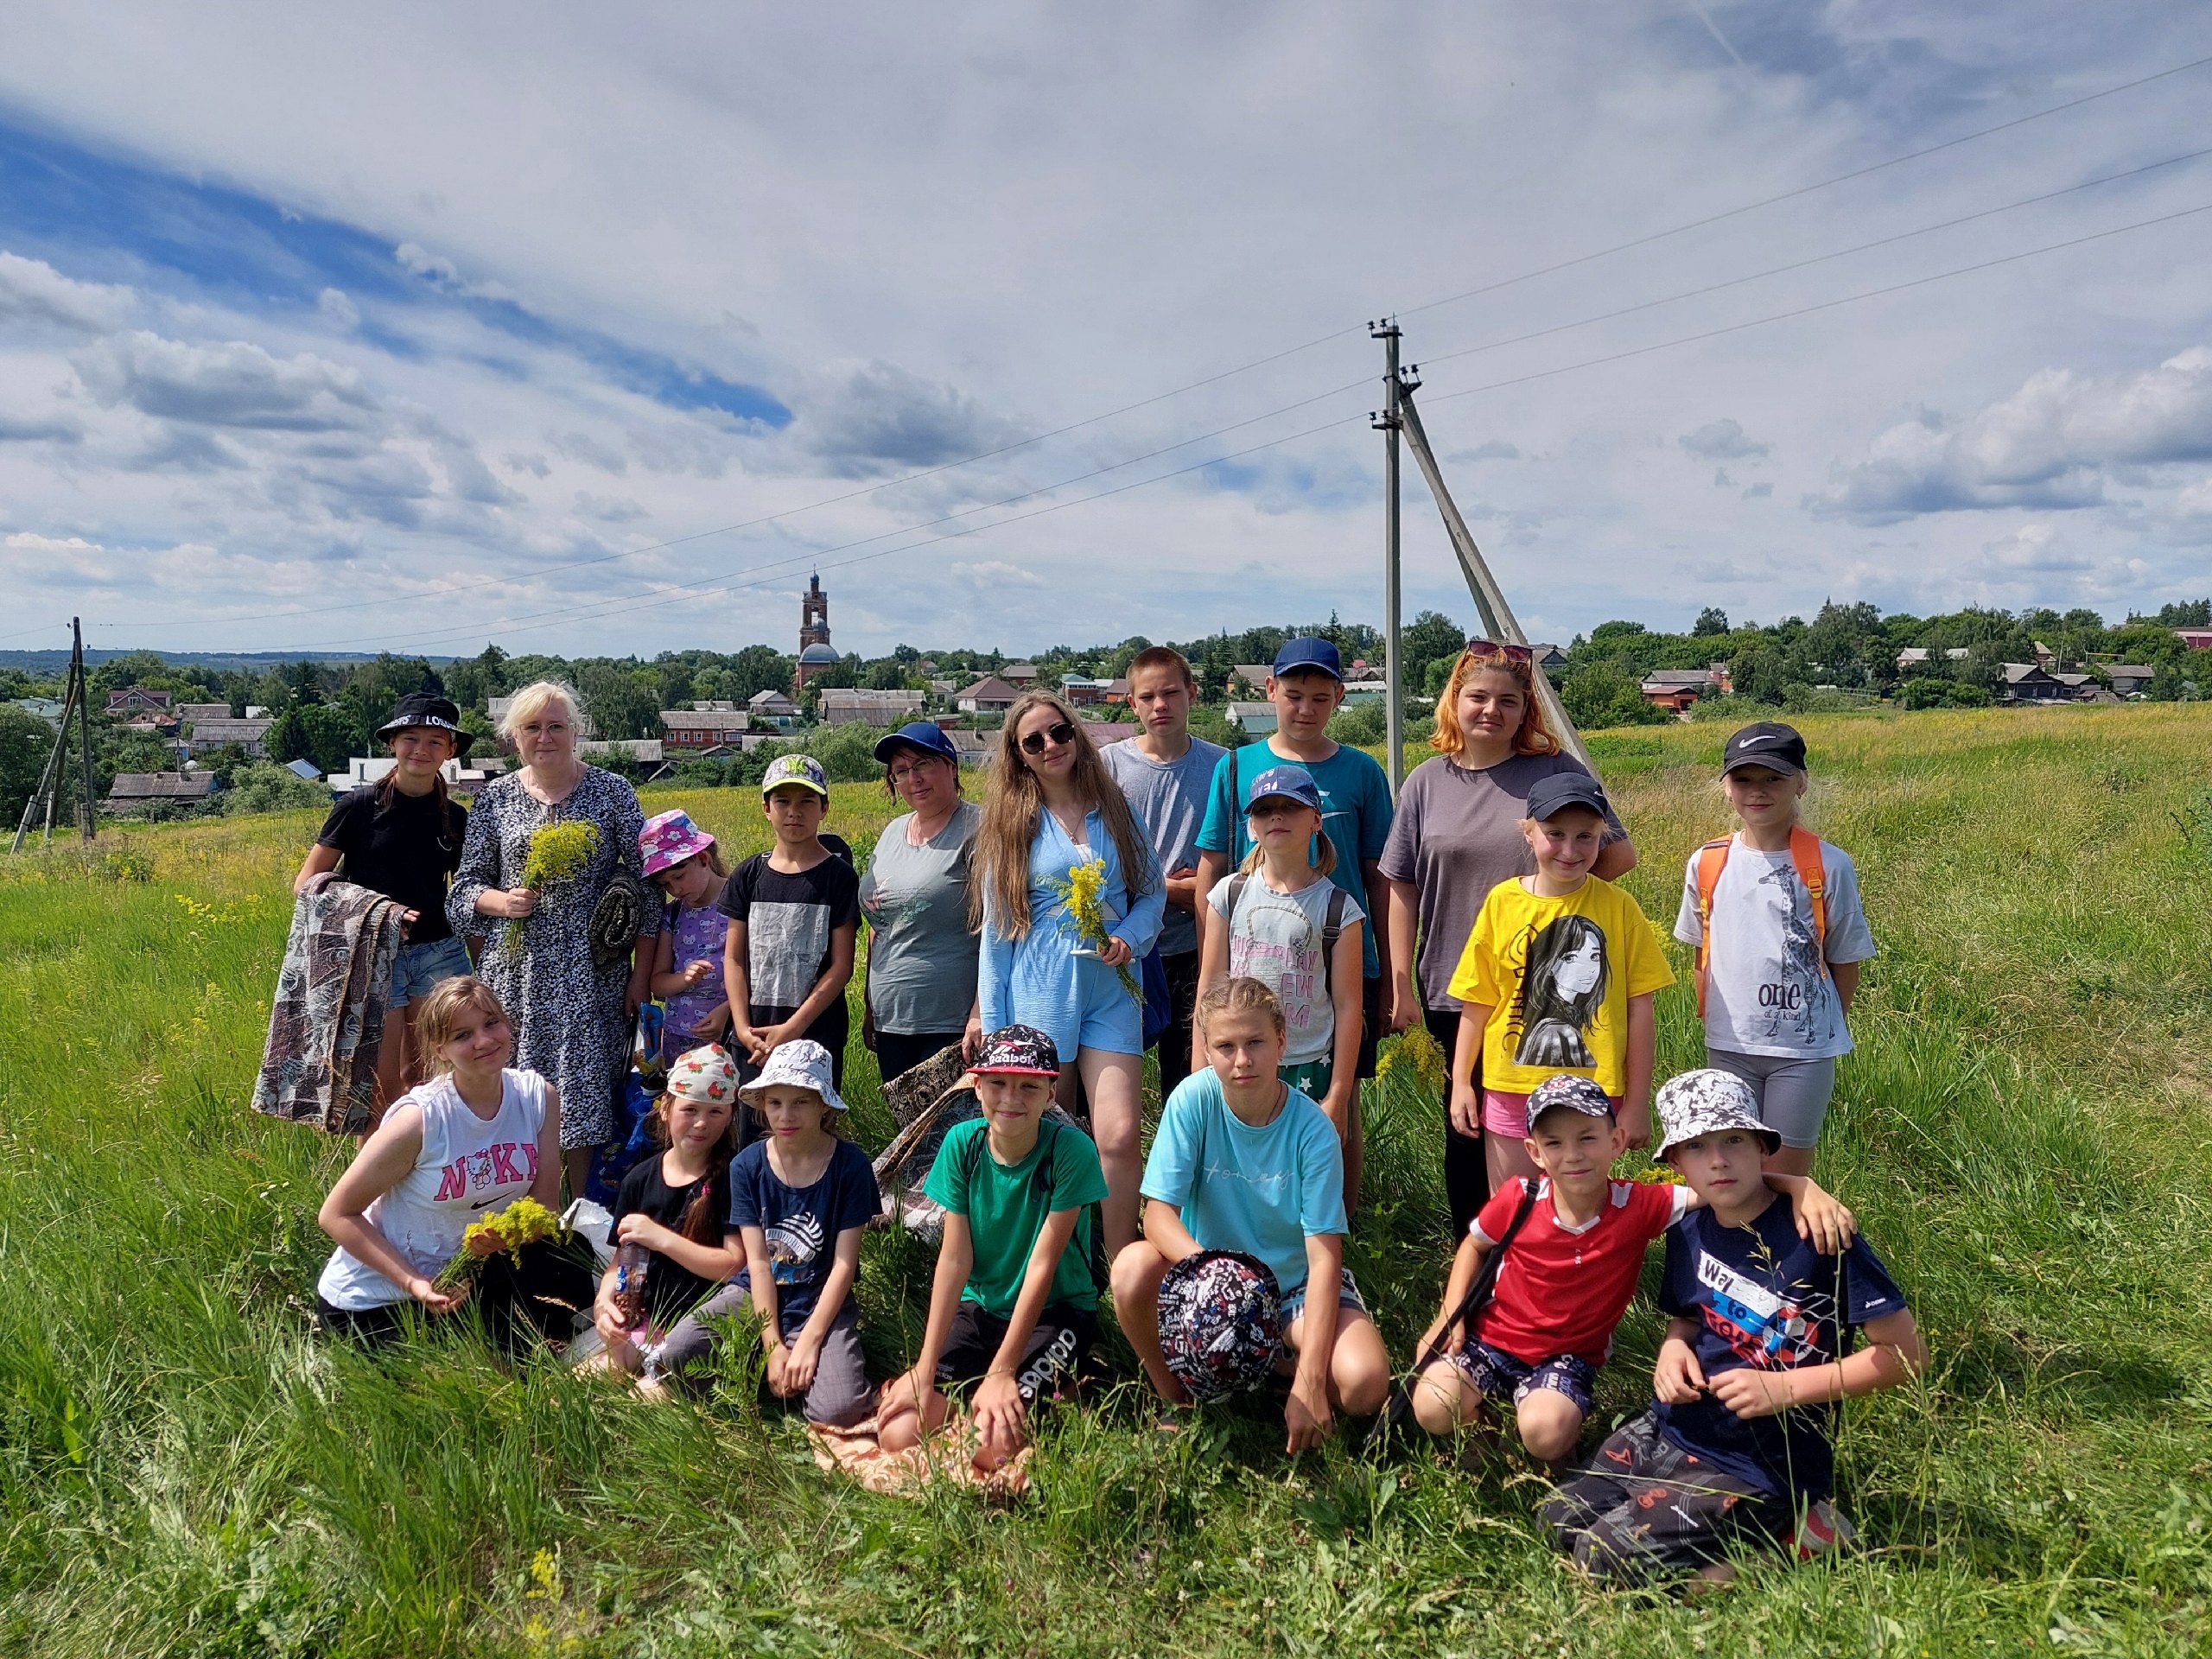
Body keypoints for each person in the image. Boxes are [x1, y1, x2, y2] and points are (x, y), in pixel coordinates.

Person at [1542, 1070, 1926, 1585]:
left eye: (1734, 1140)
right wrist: (1672, 1348)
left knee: (1601, 1558)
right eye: (1697, 1147)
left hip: (1759, 1463)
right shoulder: (1688, 1228)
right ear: (1675, 1163)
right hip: (1672, 1426)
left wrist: (1785, 1387)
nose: (1718, 1160)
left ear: (1764, 1147)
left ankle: (1801, 1537)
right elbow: (1688, 1315)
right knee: (1556, 1521)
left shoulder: (1822, 1235)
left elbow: (1907, 1356)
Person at [1409, 1074, 1853, 1466]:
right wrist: (1450, 1315)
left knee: (1545, 1433)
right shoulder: (1519, 1198)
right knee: (1431, 1404)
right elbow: (1474, 1244)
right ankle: (1484, 1434)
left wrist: (1799, 1184)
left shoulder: (1640, 1205)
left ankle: (1556, 1449)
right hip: (1491, 1341)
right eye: (1555, 1143)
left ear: (1616, 1141)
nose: (1573, 1155)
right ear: (1535, 1152)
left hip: (1568, 1357)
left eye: (1587, 1138)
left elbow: (1718, 1186)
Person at [1379, 639, 1637, 1236]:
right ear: (1454, 701)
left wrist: (1551, 895)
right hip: (1455, 988)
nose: (1491, 710)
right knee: (1469, 1129)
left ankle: (1565, 1253)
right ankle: (1480, 1261)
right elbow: (1400, 885)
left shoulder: (1556, 773)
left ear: (1527, 711)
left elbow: (1618, 855)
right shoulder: (1425, 782)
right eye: (1478, 697)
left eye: (1508, 701)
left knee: (1560, 1131)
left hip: (1551, 994)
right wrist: (1402, 984)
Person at [1114, 978, 1389, 1450]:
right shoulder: (1192, 1101)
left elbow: (1325, 1259)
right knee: (1131, 1268)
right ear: (1206, 1048)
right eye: (1225, 1046)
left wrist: (1311, 1376)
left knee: (1365, 1385)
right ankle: (1176, 1399)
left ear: (1281, 1041)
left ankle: (1287, 1368)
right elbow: (1158, 1216)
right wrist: (1220, 1277)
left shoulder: (1313, 1130)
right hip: (1211, 1277)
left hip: (1294, 1287)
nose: (1242, 1060)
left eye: (1255, 1043)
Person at [448, 681, 658, 1196]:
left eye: (556, 726)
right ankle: (522, 1213)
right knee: (514, 1096)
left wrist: (643, 976)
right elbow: (463, 891)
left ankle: (581, 1214)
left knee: (585, 1098)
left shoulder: (612, 793)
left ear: (575, 732)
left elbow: (649, 888)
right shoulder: (495, 799)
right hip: (516, 978)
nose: (545, 736)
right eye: (533, 727)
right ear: (513, 737)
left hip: (593, 977)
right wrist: (501, 901)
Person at [974, 690, 1164, 1255]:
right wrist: (996, 1032)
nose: (1051, 746)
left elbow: (1151, 893)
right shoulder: (1012, 825)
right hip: (1040, 993)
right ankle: (1063, 1266)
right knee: (1054, 1136)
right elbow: (996, 935)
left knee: (1120, 1135)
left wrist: (1129, 939)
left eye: (1060, 732)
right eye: (1034, 741)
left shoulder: (1116, 808)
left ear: (1077, 735)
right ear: (1020, 756)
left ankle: (1118, 1262)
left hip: (1111, 993)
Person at [315, 976, 592, 1351]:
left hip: (468, 1277)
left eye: (491, 1023)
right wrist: (414, 1282)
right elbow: (336, 1214)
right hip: (382, 1297)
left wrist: (503, 1238)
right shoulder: (420, 1120)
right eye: (462, 1035)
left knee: (570, 1256)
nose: (484, 1041)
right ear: (440, 1049)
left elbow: (545, 1207)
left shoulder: (536, 1096)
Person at [1195, 638, 1393, 1160]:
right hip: (1249, 969)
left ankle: (1338, 1229)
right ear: (1271, 690)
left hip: (1342, 957)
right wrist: (1214, 969)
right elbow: (1212, 865)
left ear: (1339, 697)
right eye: (1293, 694)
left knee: (1338, 1109)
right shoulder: (1236, 768)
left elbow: (1382, 879)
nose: (1305, 708)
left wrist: (1395, 977)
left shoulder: (1363, 772)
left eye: (1320, 697)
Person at [877, 1025, 1109, 1468]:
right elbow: (954, 1258)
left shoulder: (1071, 1151)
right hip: (980, 1308)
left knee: (992, 1449)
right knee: (899, 1433)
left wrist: (1003, 1370)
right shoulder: (962, 1145)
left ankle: (1074, 1375)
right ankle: (986, 1393)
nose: (1011, 1098)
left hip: (1056, 1310)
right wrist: (926, 1368)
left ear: (1051, 1094)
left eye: (1029, 1086)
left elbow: (1042, 1266)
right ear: (977, 1087)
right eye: (998, 1083)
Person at [1446, 772, 1673, 1188]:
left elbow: (1640, 1009)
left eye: (1586, 836)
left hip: (1594, 1091)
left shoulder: (1620, 908)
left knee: (1582, 1208)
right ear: (1528, 833)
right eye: (1555, 834)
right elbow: (1477, 1003)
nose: (1570, 850)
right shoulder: (1502, 903)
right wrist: (1462, 1081)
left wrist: (1637, 1103)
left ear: (1601, 837)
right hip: (1511, 1087)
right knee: (1514, 1208)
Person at [1673, 722, 1877, 1177]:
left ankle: (1782, 1251)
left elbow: (1845, 960)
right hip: (1729, 1045)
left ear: (1800, 782)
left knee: (1783, 1176)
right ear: (1726, 787)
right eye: (1744, 779)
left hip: (1802, 1053)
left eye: (1774, 778)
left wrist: (1822, 1028)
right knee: (1730, 1172)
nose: (1757, 791)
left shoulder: (1830, 864)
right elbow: (1702, 955)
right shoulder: (1706, 861)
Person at [654, 1040, 880, 1425]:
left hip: (819, 1296)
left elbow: (844, 1265)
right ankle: (766, 1361)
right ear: (762, 1105)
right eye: (775, 1103)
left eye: (801, 1102)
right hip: (754, 1293)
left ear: (824, 1105)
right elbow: (757, 1263)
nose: (785, 1115)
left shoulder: (851, 1166)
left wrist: (809, 1340)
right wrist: (773, 1344)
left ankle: (805, 1363)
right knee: (675, 1355)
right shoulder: (747, 1166)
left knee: (839, 1411)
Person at [295, 691, 475, 1119]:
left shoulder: (456, 816)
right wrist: (378, 910)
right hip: (375, 954)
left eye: (435, 741)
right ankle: (378, 1183)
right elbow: (307, 883)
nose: (421, 749)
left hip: (440, 954)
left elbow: (467, 893)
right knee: (380, 1084)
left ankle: (426, 1176)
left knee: (431, 1077)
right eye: (411, 737)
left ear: (450, 751)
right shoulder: (357, 807)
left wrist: (481, 962)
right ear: (392, 743)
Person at [1192, 765, 1364, 1199]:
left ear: (1316, 820)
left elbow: (1348, 1007)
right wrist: (1201, 1071)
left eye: (1290, 807)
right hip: (1237, 1061)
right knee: (1240, 1176)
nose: (1277, 817)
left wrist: (1340, 1095)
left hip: (1309, 1067)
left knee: (1305, 1180)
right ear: (1251, 826)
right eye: (1265, 810)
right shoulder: (1229, 895)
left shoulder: (1338, 908)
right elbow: (1210, 988)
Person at [1100, 646, 1225, 1102]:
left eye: (1171, 693)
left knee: (1190, 1071)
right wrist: (1173, 888)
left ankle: (1184, 1161)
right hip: (1125, 944)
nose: (1161, 706)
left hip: (1199, 942)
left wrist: (1201, 889)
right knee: (1116, 1069)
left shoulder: (1221, 766)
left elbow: (1237, 856)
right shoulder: (1108, 766)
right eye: (1148, 696)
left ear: (1192, 693)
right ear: (1131, 703)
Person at [590, 1042, 744, 1381]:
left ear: (730, 1115)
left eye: (715, 1112)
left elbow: (734, 1265)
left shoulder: (734, 1177)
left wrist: (660, 1239)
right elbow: (619, 1261)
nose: (701, 1123)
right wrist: (604, 1303)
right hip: (647, 1319)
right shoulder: (639, 1179)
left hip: (703, 1322)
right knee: (578, 1385)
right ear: (665, 1109)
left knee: (644, 1398)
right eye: (690, 1110)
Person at [720, 755, 861, 1096]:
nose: (794, 812)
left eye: (806, 801)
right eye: (783, 801)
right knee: (752, 1132)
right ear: (767, 808)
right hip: (754, 1036)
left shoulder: (838, 878)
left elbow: (842, 967)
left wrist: (792, 1028)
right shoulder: (748, 875)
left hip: (816, 1034)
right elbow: (734, 959)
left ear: (824, 807)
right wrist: (741, 1028)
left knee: (809, 1130)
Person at [860, 721, 984, 1083]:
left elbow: (1001, 928)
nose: (913, 778)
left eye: (924, 764)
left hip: (952, 1022)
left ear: (951, 766)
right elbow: (879, 924)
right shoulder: (891, 833)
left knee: (950, 1135)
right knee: (909, 1135)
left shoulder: (981, 828)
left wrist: (980, 1012)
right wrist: (871, 1005)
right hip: (891, 1018)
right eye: (902, 770)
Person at [638, 810, 733, 1065]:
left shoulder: (739, 901)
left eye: (679, 877)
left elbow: (757, 973)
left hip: (729, 1034)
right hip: (679, 1040)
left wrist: (728, 1012)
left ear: (703, 858)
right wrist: (684, 978)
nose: (676, 889)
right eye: (666, 884)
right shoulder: (674, 914)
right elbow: (657, 983)